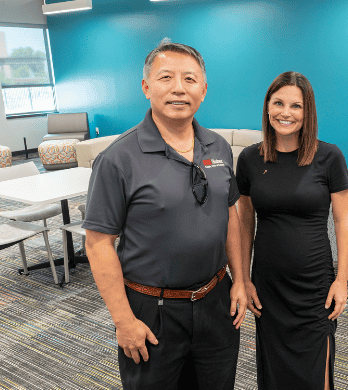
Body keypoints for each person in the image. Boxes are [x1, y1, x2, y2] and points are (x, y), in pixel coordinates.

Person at [81, 39, 249, 390]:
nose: (178, 88)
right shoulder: (118, 159)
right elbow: (98, 244)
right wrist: (123, 320)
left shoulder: (218, 147)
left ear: (203, 90)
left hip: (217, 300)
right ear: (146, 87)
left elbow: (231, 217)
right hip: (152, 310)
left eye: (189, 79)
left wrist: (241, 280)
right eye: (166, 78)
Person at [235, 71, 348, 390]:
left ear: (307, 111)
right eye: (278, 103)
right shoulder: (248, 159)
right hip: (269, 286)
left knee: (317, 372)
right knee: (274, 371)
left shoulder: (329, 157)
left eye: (296, 106)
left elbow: (343, 221)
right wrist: (243, 279)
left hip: (314, 286)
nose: (285, 112)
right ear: (267, 107)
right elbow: (245, 221)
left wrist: (341, 280)